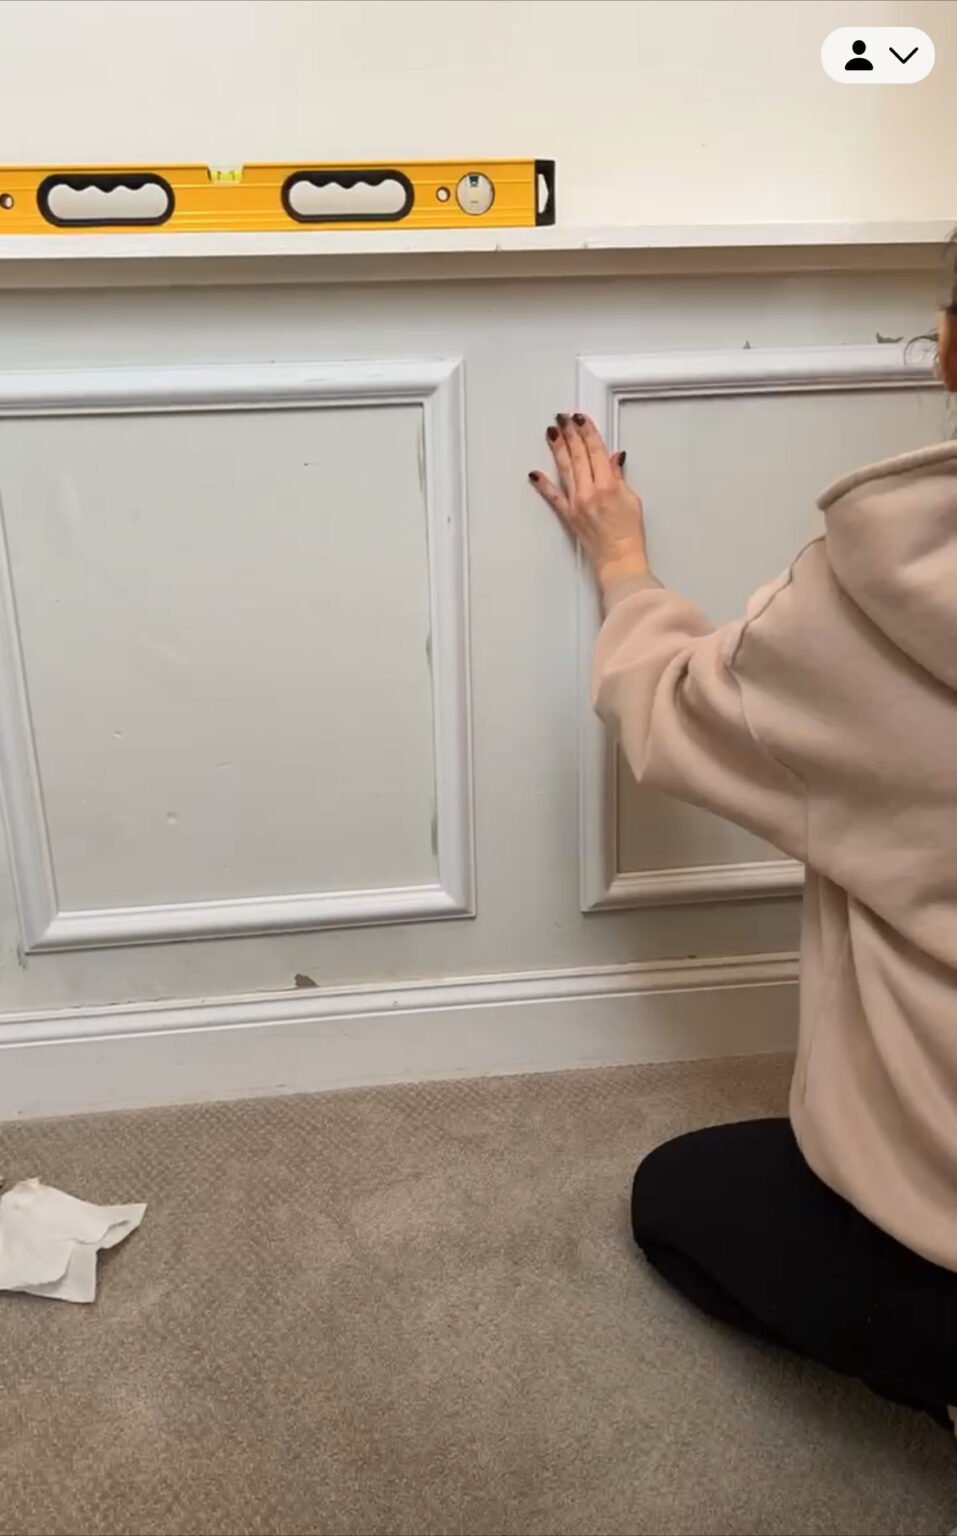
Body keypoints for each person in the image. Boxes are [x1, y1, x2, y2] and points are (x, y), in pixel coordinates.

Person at [529, 291, 957, 1432]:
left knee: (680, 1197)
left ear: (951, 344)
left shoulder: (891, 602)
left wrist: (625, 568)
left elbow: (670, 711)